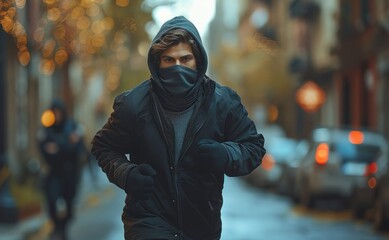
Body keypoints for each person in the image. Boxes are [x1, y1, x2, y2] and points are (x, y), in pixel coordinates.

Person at [91, 16, 266, 240]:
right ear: (157, 63)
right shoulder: (133, 104)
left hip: (202, 225)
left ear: (198, 61)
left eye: (185, 59)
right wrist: (127, 173)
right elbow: (103, 146)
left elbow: (254, 147)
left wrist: (225, 154)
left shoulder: (223, 102)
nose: (178, 67)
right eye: (169, 60)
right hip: (147, 222)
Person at [37, 99, 88, 240]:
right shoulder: (48, 128)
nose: (57, 115)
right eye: (55, 113)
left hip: (70, 174)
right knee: (52, 201)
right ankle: (57, 228)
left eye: (59, 113)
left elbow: (77, 149)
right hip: (53, 173)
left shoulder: (72, 127)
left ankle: (63, 230)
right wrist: (66, 144)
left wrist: (58, 147)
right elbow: (43, 148)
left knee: (69, 207)